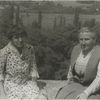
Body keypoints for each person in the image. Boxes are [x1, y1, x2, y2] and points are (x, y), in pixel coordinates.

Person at [0, 25, 47, 99]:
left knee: (39, 98)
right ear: (11, 38)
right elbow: (0, 73)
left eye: (22, 36)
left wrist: (34, 85)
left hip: (26, 83)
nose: (20, 40)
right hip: (11, 84)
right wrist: (2, 93)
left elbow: (33, 67)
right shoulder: (5, 51)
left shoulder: (30, 49)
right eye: (16, 37)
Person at [56, 27, 100, 99]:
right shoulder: (76, 49)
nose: (83, 43)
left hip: (94, 88)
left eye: (86, 39)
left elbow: (99, 79)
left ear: (94, 40)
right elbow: (71, 68)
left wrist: (86, 93)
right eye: (81, 39)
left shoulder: (98, 53)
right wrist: (68, 84)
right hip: (76, 85)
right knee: (61, 96)